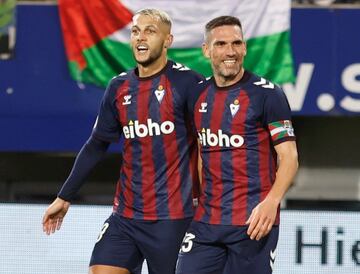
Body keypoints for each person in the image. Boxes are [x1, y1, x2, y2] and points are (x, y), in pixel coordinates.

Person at [42, 8, 202, 274]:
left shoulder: (188, 83)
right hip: (125, 216)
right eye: (136, 31)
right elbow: (97, 145)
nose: (141, 38)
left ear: (168, 41)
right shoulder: (119, 87)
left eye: (150, 31)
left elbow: (210, 144)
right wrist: (64, 196)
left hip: (173, 219)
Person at [176, 16, 299, 274]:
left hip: (253, 222)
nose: (229, 52)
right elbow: (202, 151)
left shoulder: (268, 94)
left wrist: (271, 202)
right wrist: (196, 197)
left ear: (244, 48)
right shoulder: (197, 95)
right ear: (206, 50)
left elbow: (289, 157)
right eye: (220, 44)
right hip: (206, 222)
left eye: (236, 43)